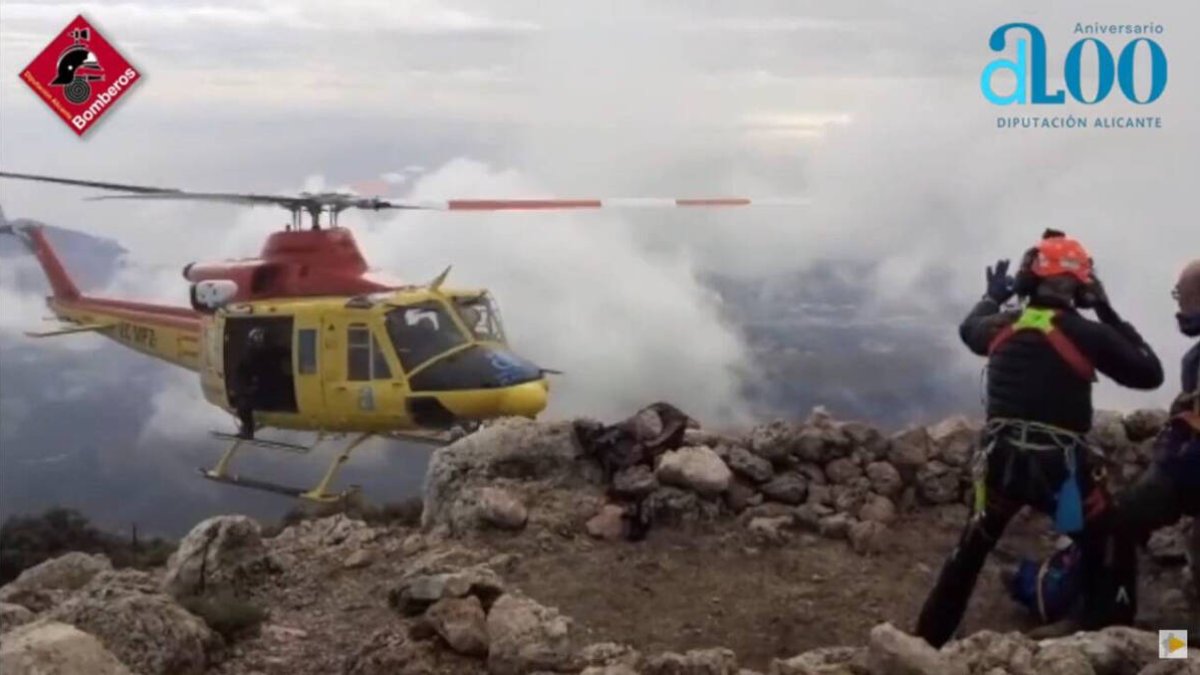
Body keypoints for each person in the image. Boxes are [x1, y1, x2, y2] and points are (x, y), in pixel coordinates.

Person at [915, 230, 1164, 648]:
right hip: (1062, 474)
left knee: (969, 554)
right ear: (1081, 288)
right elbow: (1149, 372)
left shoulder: (1002, 325)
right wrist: (1107, 310)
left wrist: (992, 297)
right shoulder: (1088, 334)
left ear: (1029, 279)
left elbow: (967, 328)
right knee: (1111, 541)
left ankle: (922, 645)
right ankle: (1115, 644)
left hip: (1002, 467)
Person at [1107, 259, 1200, 624]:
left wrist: (1169, 467)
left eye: (1182, 295)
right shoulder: (1195, 357)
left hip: (1189, 471)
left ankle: (1117, 627)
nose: (1178, 305)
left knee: (1120, 520)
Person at [233, 327, 271, 440]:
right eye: (258, 340)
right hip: (255, 388)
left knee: (243, 406)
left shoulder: (253, 355)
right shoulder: (254, 355)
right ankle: (247, 429)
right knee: (243, 405)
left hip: (257, 389)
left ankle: (248, 430)